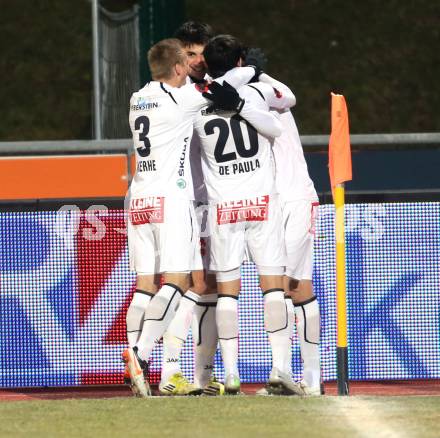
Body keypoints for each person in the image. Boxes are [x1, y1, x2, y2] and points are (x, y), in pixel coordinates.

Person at [123, 37, 283, 397]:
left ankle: (140, 358)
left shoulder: (137, 99)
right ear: (179, 68)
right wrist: (252, 70)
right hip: (171, 200)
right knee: (179, 280)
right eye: (187, 62)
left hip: (139, 200)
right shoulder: (181, 102)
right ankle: (140, 354)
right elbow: (221, 89)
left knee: (146, 283)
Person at [193, 34, 297, 394]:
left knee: (227, 292)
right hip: (262, 204)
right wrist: (253, 74)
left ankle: (232, 373)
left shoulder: (196, 104)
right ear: (239, 61)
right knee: (273, 286)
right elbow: (282, 114)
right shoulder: (253, 94)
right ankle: (280, 368)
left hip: (223, 208)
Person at [159, 21, 221, 397]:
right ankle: (169, 371)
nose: (199, 61)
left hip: (213, 201)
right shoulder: (173, 95)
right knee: (180, 282)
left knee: (210, 286)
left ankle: (203, 376)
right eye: (191, 54)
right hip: (181, 201)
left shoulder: (212, 89)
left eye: (203, 52)